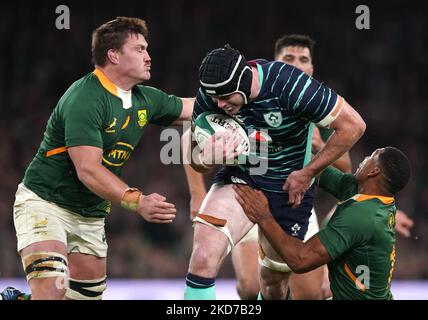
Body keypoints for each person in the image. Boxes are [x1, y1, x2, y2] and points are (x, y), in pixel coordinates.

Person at [184, 34, 414, 299]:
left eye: (225, 97)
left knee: (277, 286)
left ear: (244, 80)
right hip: (245, 180)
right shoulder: (212, 93)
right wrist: (206, 159)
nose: (220, 105)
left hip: (289, 190)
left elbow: (353, 129)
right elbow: (193, 152)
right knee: (209, 260)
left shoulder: (294, 88)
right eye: (214, 99)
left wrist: (306, 172)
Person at [1, 17, 194, 300]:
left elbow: (192, 108)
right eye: (139, 49)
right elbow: (88, 170)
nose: (149, 57)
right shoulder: (85, 97)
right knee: (51, 292)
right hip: (46, 203)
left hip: (90, 215)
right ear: (113, 55)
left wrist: (238, 95)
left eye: (147, 49)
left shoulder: (145, 99)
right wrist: (137, 201)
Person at [234, 146, 411, 299]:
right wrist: (281, 143)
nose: (363, 159)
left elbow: (300, 260)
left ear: (374, 171)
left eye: (370, 157)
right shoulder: (367, 195)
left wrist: (263, 216)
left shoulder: (362, 216)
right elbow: (317, 170)